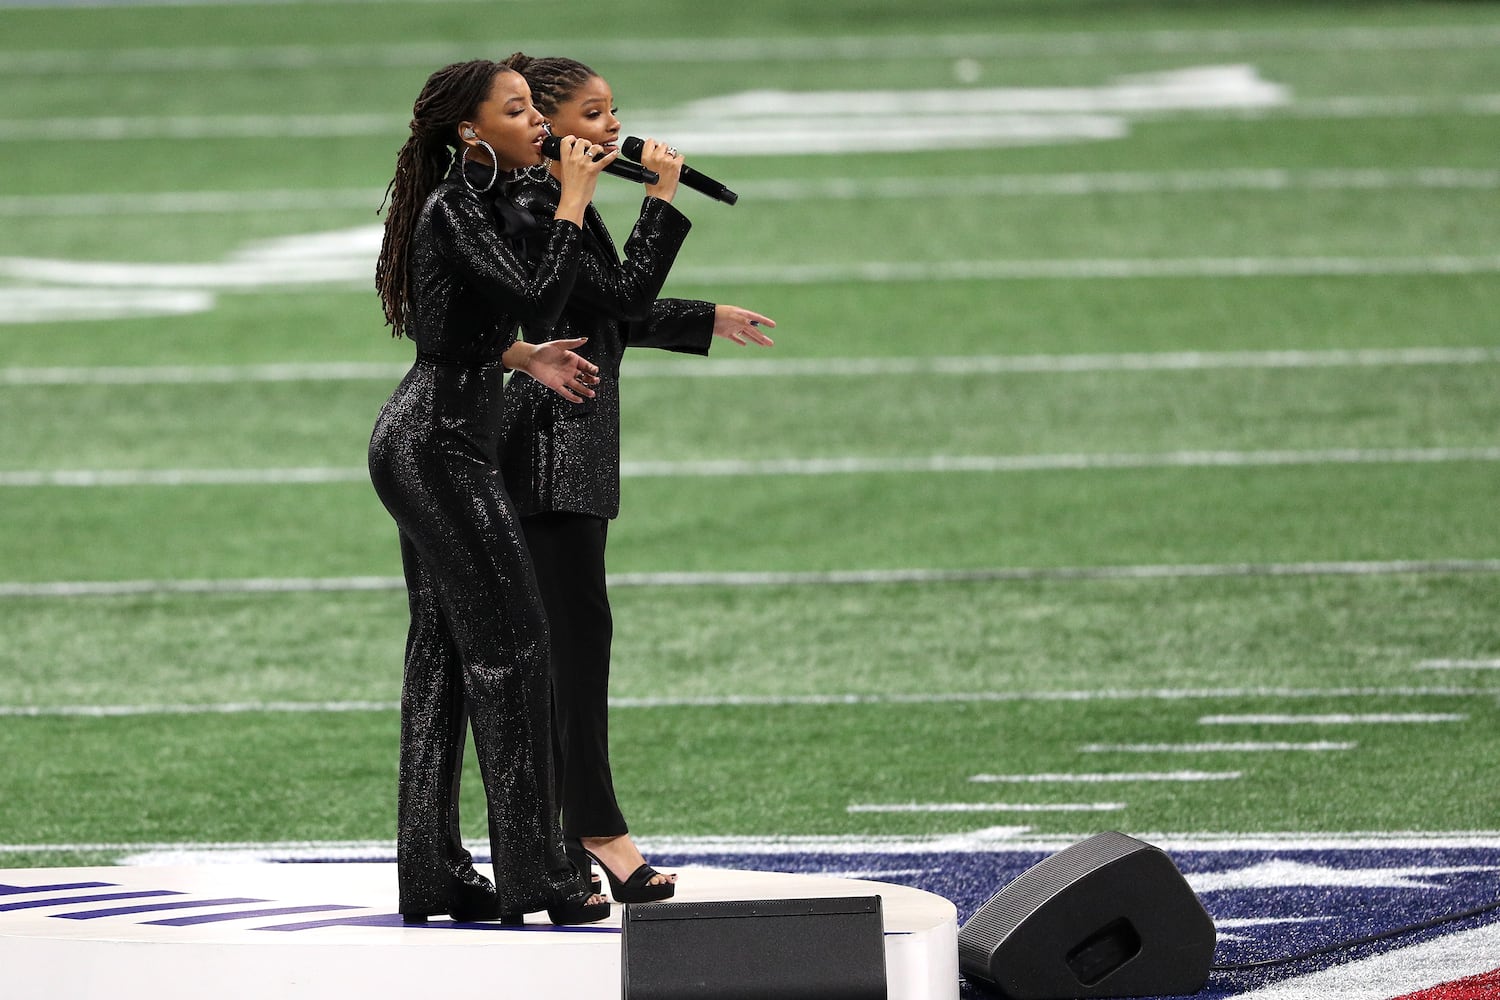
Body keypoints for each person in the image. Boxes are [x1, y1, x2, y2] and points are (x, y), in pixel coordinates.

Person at [497, 53, 775, 904]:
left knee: (568, 650)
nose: (614, 128)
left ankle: (563, 842)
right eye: (593, 114)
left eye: (613, 111)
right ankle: (596, 836)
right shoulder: (540, 204)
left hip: (564, 446)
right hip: (547, 446)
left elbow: (601, 309)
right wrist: (660, 197)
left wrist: (703, 317)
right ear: (548, 127)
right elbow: (613, 296)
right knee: (571, 653)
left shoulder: (549, 201)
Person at [368, 58, 617, 926]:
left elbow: (471, 324)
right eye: (516, 111)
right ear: (470, 131)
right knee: (516, 649)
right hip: (438, 448)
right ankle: (538, 874)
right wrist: (574, 200)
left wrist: (521, 356)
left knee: (440, 659)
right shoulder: (455, 206)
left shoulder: (473, 205)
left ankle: (432, 874)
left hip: (436, 437)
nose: (536, 121)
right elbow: (540, 296)